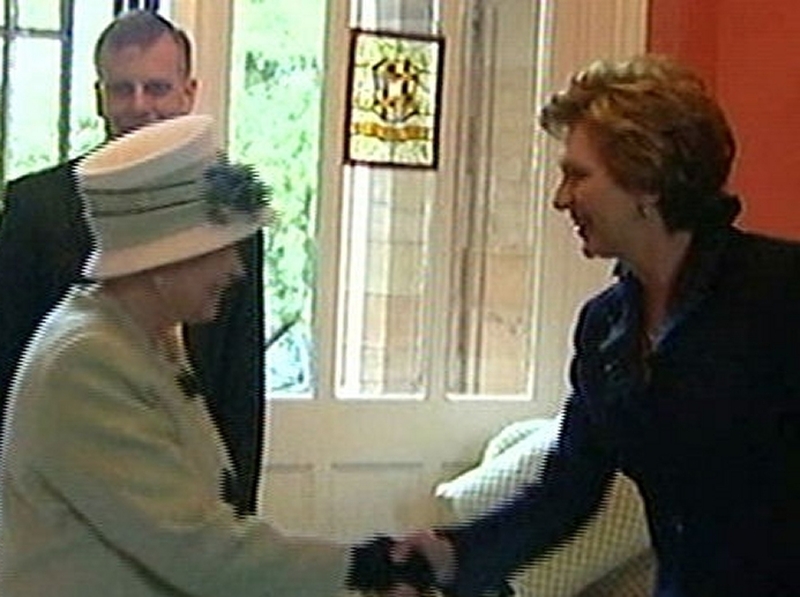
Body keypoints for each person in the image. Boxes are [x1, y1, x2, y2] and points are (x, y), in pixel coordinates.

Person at [358, 54, 799, 596]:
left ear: (647, 179)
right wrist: (452, 554)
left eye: (578, 176)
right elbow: (566, 492)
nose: (561, 198)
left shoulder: (781, 292)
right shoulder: (605, 327)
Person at [0, 113, 396, 596]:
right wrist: (365, 569)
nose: (235, 270)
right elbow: (196, 547)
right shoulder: (88, 361)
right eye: (221, 250)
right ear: (162, 262)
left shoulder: (144, 338)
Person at [0, 9, 265, 515]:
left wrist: (239, 507)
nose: (140, 106)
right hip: (66, 496)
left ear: (189, 93)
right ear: (100, 97)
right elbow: (8, 364)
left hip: (197, 486)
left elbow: (240, 381)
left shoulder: (232, 205)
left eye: (158, 88)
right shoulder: (36, 207)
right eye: (123, 89)